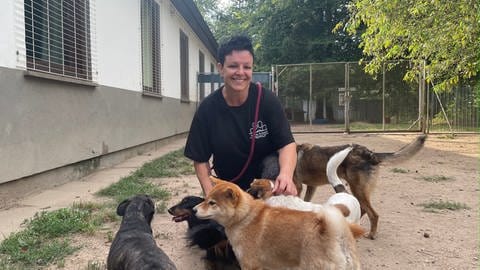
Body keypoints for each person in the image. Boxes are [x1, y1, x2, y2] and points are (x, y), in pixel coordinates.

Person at [184, 35, 297, 196]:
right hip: (230, 187)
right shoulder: (208, 109)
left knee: (274, 165)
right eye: (233, 66)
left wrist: (286, 175)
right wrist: (211, 194)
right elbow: (200, 159)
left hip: (267, 184)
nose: (240, 73)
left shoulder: (267, 100)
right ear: (221, 68)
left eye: (247, 67)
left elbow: (287, 144)